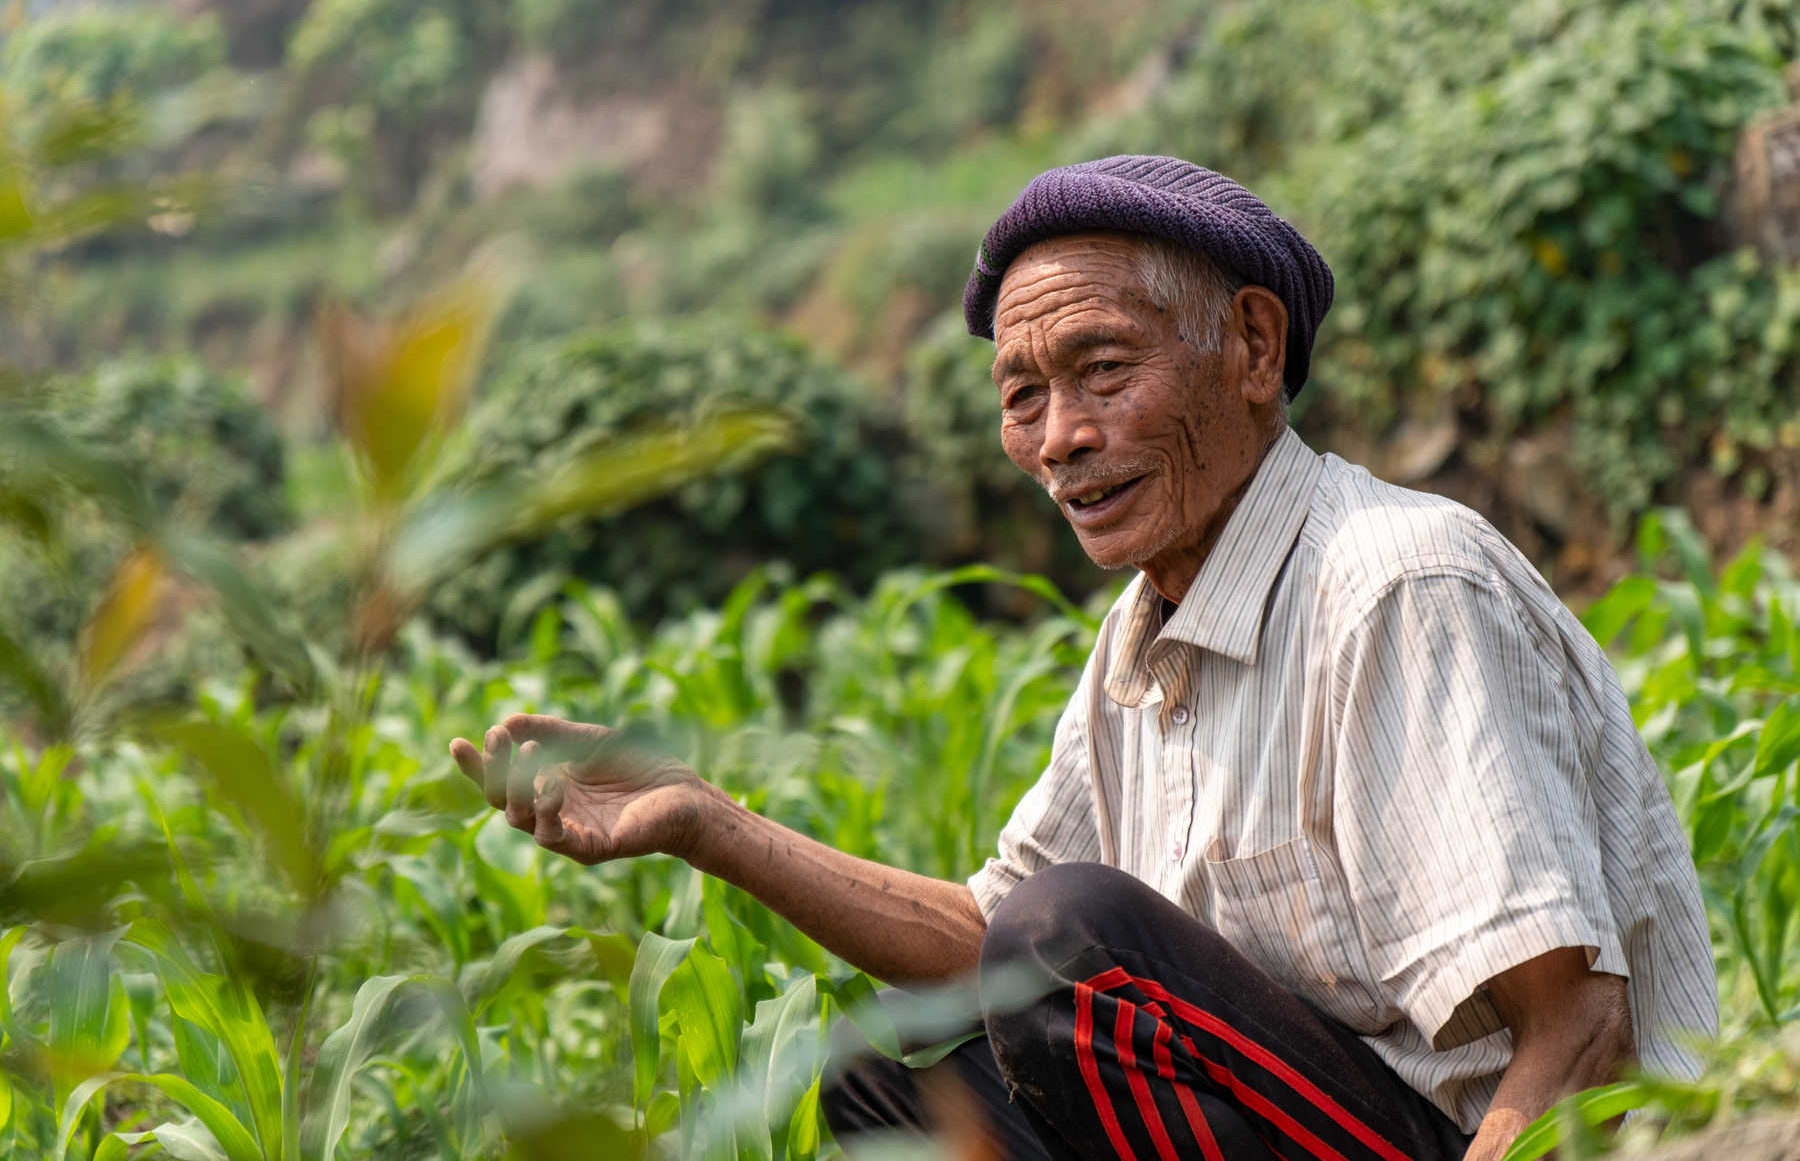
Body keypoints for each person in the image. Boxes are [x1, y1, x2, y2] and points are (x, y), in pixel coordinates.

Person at [450, 155, 1717, 1161]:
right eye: (1021, 397)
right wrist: (701, 822)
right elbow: (981, 938)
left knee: (1075, 934)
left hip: (1501, 1142)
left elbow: (1581, 1030)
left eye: (1102, 370)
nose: (1060, 439)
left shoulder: (1394, 585)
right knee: (883, 1079)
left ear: (1254, 351)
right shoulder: (1146, 640)